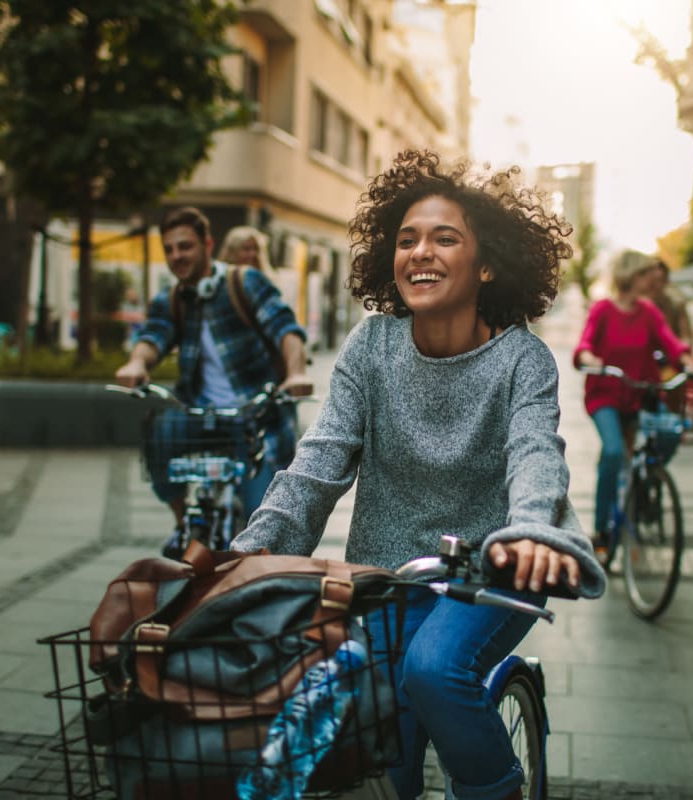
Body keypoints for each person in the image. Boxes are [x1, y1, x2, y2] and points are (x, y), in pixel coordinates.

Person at [231, 150, 607, 800]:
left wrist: (526, 533)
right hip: (388, 575)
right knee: (379, 757)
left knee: (433, 671)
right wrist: (248, 558)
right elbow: (317, 463)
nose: (419, 253)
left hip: (495, 570)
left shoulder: (522, 360)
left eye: (444, 238)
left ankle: (496, 789)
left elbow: (536, 457)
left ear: (486, 263)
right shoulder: (371, 347)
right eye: (406, 240)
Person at [115, 206, 311, 559]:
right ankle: (182, 524)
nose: (177, 256)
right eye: (170, 249)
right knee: (158, 434)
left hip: (254, 417)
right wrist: (136, 363)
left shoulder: (243, 282)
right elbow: (153, 336)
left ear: (207, 244)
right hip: (200, 413)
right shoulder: (172, 298)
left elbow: (285, 329)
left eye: (185, 246)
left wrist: (296, 373)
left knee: (259, 527)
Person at [573, 249, 693, 559]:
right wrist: (590, 358)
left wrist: (687, 362)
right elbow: (585, 344)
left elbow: (671, 342)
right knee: (613, 452)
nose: (652, 279)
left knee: (670, 433)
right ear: (631, 276)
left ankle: (645, 483)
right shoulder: (602, 309)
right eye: (645, 274)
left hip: (640, 394)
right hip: (605, 395)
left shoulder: (649, 311)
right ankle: (601, 531)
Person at [644, 258, 693, 352]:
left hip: (668, 359)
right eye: (652, 281)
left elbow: (686, 337)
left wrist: (682, 348)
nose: (656, 285)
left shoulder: (676, 304)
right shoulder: (637, 306)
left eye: (660, 280)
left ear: (666, 281)